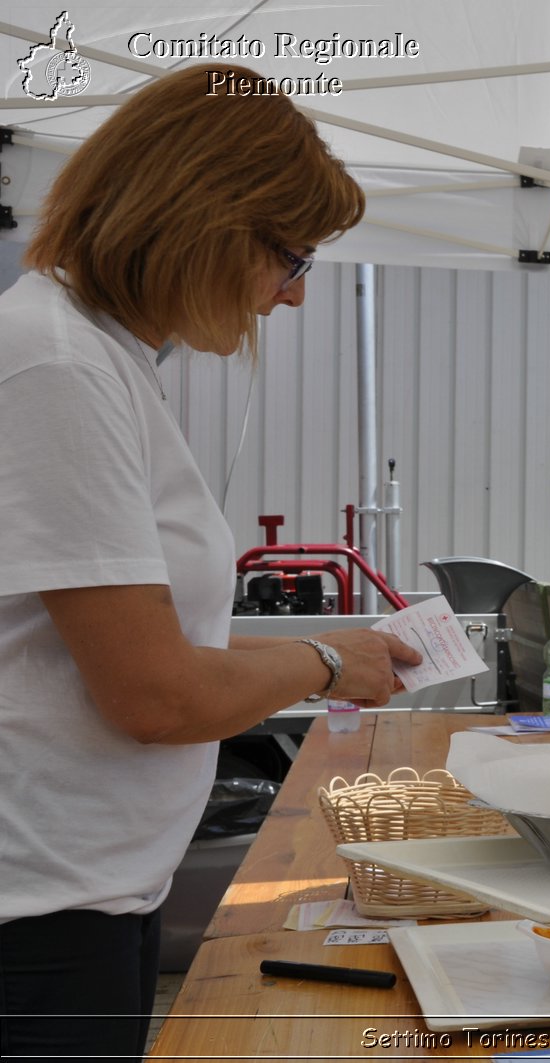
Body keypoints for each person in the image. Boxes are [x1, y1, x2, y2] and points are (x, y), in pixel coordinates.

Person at [0, 65, 422, 1059]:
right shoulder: (55, 363)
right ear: (204, 218)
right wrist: (323, 664)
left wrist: (309, 655)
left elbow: (138, 639)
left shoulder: (98, 356)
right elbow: (154, 694)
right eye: (291, 255)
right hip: (41, 915)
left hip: (89, 891)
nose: (295, 294)